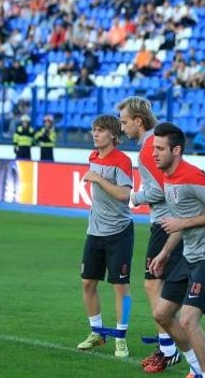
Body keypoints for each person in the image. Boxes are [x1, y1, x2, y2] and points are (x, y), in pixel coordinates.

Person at [149, 122, 205, 378]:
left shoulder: (192, 176)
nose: (154, 153)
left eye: (160, 149)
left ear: (176, 150)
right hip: (190, 256)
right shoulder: (167, 176)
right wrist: (164, 254)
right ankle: (196, 369)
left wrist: (182, 224)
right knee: (162, 314)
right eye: (154, 148)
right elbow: (180, 220)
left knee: (187, 319)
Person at [117, 96, 184, 372]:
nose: (122, 128)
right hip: (174, 220)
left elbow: (158, 190)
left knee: (152, 284)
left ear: (138, 121)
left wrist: (134, 197)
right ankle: (169, 345)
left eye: (124, 122)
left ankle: (169, 349)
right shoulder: (155, 144)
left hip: (166, 222)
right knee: (163, 286)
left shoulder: (148, 148)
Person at [77, 114, 134, 358]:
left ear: (113, 134)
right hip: (95, 231)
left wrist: (98, 178)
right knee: (88, 282)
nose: (95, 134)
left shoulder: (122, 160)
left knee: (120, 286)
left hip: (119, 232)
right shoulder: (92, 156)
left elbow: (124, 195)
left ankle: (120, 338)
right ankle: (98, 333)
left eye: (100, 130)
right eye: (93, 130)